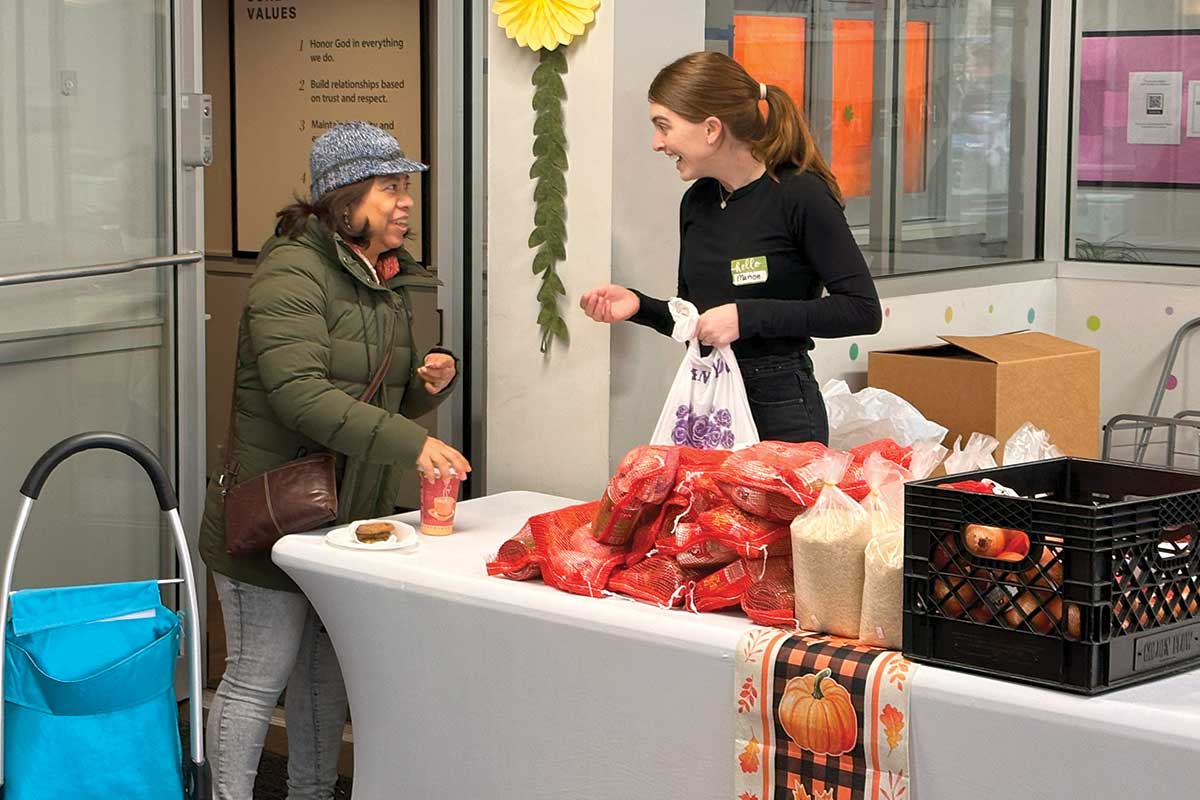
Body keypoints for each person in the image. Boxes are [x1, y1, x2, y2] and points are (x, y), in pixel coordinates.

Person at [198, 121, 470, 799]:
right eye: (389, 187)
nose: (404, 203)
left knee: (322, 675)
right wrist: (415, 445)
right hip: (273, 518)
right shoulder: (291, 271)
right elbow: (302, 398)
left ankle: (313, 793)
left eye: (405, 187)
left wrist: (427, 380)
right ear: (345, 197)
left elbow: (380, 399)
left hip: (344, 521)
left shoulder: (382, 278)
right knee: (259, 676)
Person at [580, 51, 882, 445]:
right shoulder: (698, 201)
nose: (657, 143)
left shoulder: (799, 195)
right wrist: (639, 306)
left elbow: (862, 311)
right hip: (708, 401)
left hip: (781, 410)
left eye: (663, 126)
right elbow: (700, 320)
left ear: (711, 129)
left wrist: (747, 316)